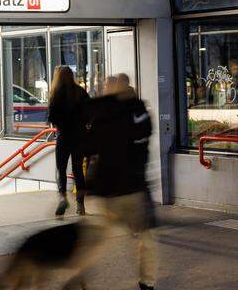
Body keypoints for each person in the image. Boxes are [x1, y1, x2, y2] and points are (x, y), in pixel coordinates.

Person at [84, 74, 157, 290]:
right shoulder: (142, 114)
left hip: (110, 190)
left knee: (97, 239)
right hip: (134, 188)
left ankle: (78, 278)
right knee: (146, 237)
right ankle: (147, 281)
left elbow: (90, 148)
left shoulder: (105, 115)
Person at [47, 66, 90, 216]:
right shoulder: (81, 92)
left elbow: (51, 117)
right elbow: (90, 112)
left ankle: (63, 198)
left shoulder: (56, 93)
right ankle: (80, 205)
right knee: (78, 170)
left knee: (61, 169)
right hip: (79, 136)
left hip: (64, 136)